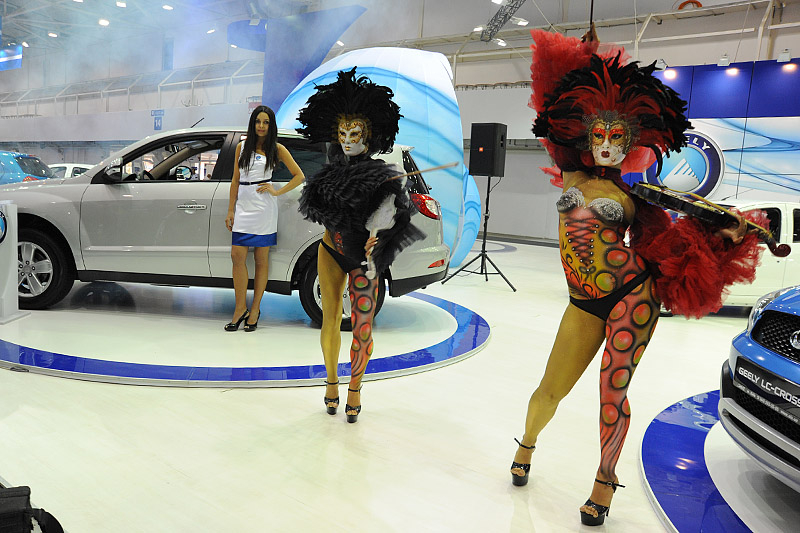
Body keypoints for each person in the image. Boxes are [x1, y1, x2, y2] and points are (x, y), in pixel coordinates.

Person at [509, 26, 764, 526]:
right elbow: (550, 117)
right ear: (586, 136)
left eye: (617, 137)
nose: (607, 143)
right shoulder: (572, 175)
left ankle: (604, 482)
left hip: (632, 296)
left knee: (612, 392)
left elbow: (674, 239)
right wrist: (583, 60)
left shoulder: (637, 197)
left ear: (630, 143)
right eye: (599, 135)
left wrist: (726, 231)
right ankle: (526, 443)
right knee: (549, 391)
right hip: (582, 301)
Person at [296, 69, 424, 423]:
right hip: (329, 250)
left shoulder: (381, 175)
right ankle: (331, 383)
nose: (348, 140)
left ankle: (355, 387)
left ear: (369, 136)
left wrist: (380, 232)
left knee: (363, 327)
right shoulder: (329, 174)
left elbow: (398, 214)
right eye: (342, 134)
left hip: (363, 261)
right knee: (330, 320)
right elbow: (320, 210)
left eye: (355, 134)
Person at [224, 105, 305, 332]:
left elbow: (299, 176)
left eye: (266, 122)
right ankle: (240, 308)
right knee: (237, 256)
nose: (261, 126)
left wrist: (277, 192)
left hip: (263, 208)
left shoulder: (277, 148)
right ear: (253, 124)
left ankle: (255, 309)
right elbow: (235, 180)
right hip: (243, 207)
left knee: (261, 259)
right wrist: (230, 210)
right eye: (258, 121)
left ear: (271, 126)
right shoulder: (241, 147)